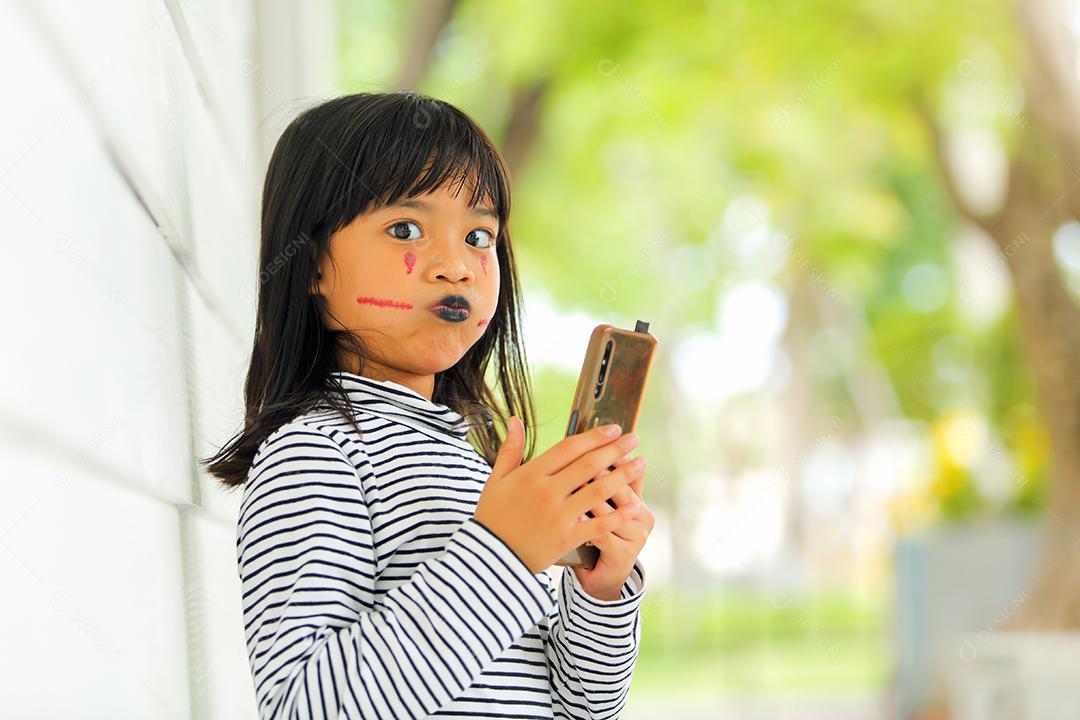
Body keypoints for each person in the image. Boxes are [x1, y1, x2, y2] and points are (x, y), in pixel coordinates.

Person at [203, 91, 654, 719]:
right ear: (310, 264)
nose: (456, 267)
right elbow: (304, 707)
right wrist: (505, 552)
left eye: (478, 235)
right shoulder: (315, 449)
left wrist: (599, 593)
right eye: (406, 229)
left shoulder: (474, 462)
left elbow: (584, 707)